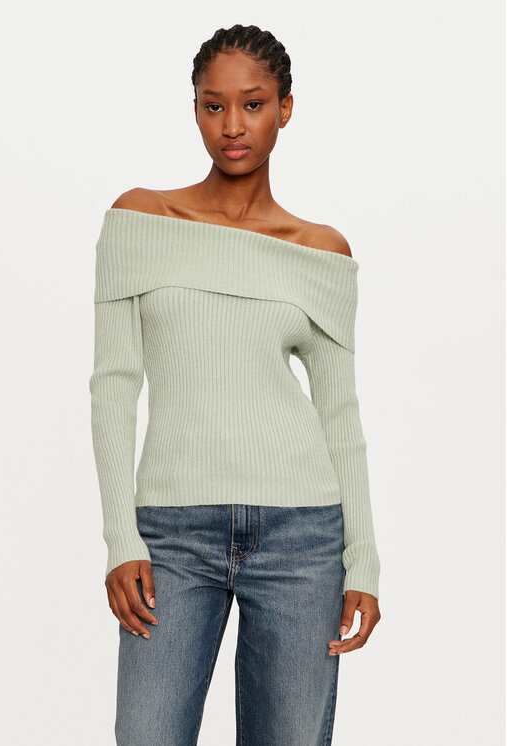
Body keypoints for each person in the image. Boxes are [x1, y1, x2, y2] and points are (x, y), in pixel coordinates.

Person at [89, 23, 382, 746]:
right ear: (194, 107)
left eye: (252, 104)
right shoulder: (140, 220)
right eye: (213, 105)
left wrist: (364, 562)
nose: (232, 126)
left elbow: (339, 415)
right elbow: (114, 386)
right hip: (171, 536)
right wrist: (121, 537)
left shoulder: (320, 252)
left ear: (285, 108)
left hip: (302, 537)